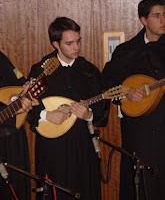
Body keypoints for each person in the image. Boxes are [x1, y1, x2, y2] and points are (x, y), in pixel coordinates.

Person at [28, 17, 109, 200]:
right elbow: (25, 106)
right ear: (55, 44)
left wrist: (89, 115)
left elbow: (103, 106)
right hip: (53, 147)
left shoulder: (89, 71)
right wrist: (46, 114)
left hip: (83, 144)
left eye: (78, 41)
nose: (76, 48)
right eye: (69, 43)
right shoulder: (41, 71)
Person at [102, 0, 165, 200]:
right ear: (143, 20)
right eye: (157, 16)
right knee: (141, 182)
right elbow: (108, 84)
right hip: (139, 131)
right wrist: (127, 92)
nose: (163, 20)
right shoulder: (126, 50)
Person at [0, 51, 38, 199]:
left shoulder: (2, 58)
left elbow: (18, 81)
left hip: (12, 139)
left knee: (16, 189)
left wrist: (25, 93)